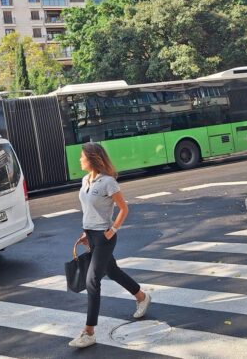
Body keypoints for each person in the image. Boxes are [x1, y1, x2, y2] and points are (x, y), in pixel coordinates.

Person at [69, 143, 150, 349]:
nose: (79, 160)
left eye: (82, 157)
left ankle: (89, 332)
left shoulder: (108, 182)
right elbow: (88, 210)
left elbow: (124, 208)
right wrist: (85, 232)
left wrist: (112, 230)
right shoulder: (85, 180)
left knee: (92, 280)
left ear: (92, 158)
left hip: (105, 237)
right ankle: (141, 296)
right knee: (112, 272)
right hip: (90, 234)